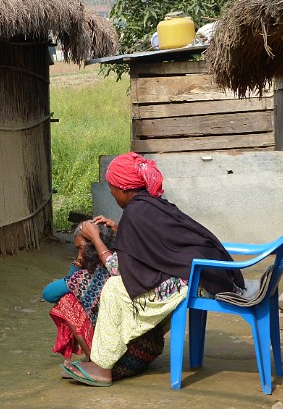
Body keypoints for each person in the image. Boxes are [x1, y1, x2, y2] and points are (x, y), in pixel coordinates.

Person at [62, 152, 245, 386]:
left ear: (124, 189)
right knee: (124, 287)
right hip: (208, 274)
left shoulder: (136, 213)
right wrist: (122, 231)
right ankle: (109, 358)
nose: (111, 193)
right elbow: (155, 245)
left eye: (112, 188)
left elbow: (118, 269)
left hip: (198, 280)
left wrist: (97, 240)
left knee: (114, 288)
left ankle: (101, 367)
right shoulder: (150, 204)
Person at [43, 221, 165, 380]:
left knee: (66, 301)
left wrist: (76, 267)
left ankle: (95, 366)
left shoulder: (87, 277)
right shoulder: (127, 264)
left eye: (81, 248)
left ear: (94, 247)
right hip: (148, 352)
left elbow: (48, 293)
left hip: (123, 361)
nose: (79, 255)